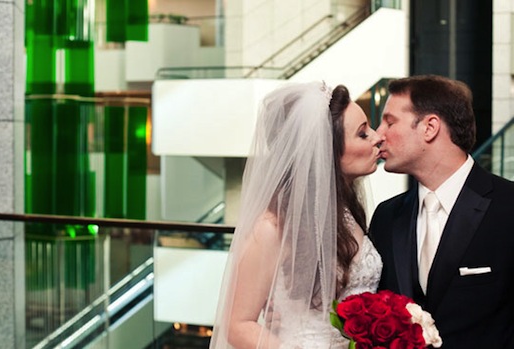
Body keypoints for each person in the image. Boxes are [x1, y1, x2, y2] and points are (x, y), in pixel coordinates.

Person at [209, 81, 383, 349]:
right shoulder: (272, 227)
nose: (377, 137)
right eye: (363, 134)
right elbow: (237, 325)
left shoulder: (345, 211)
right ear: (327, 150)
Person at [370, 74, 514, 348]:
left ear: (430, 127)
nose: (379, 134)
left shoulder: (509, 207)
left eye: (389, 121)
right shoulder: (386, 217)